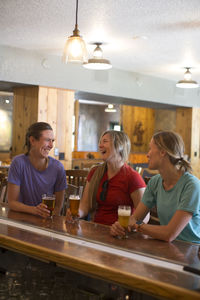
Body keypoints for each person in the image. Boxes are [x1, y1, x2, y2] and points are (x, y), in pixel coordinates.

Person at [111, 130, 200, 244]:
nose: (147, 154)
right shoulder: (155, 182)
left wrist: (137, 225)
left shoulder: (192, 186)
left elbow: (169, 234)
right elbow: (135, 218)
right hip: (168, 247)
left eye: (150, 149)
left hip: (192, 250)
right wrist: (119, 226)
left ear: (163, 152)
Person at [67, 130, 146, 226]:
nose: (100, 145)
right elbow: (85, 205)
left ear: (119, 146)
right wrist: (77, 213)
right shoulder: (95, 172)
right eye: (100, 142)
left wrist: (129, 227)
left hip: (121, 233)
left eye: (105, 141)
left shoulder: (132, 177)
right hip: (96, 229)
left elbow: (145, 217)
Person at [7, 122, 67, 217]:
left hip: (47, 222)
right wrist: (35, 210)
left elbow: (58, 207)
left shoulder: (58, 167)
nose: (51, 145)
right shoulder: (18, 163)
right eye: (47, 140)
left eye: (52, 141)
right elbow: (12, 202)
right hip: (21, 220)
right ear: (32, 140)